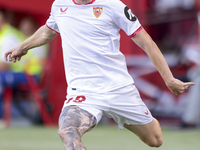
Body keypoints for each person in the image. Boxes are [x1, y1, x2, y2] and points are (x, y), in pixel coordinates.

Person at [4, 0, 195, 149]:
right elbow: (48, 30)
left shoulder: (113, 5)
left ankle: (137, 118)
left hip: (119, 89)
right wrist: (23, 47)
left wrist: (169, 79)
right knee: (68, 131)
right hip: (84, 92)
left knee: (155, 140)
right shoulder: (60, 5)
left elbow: (147, 42)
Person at [0, 8, 23, 127]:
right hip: (10, 73)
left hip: (25, 74)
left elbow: (5, 65)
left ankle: (1, 119)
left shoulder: (9, 36)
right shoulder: (2, 34)